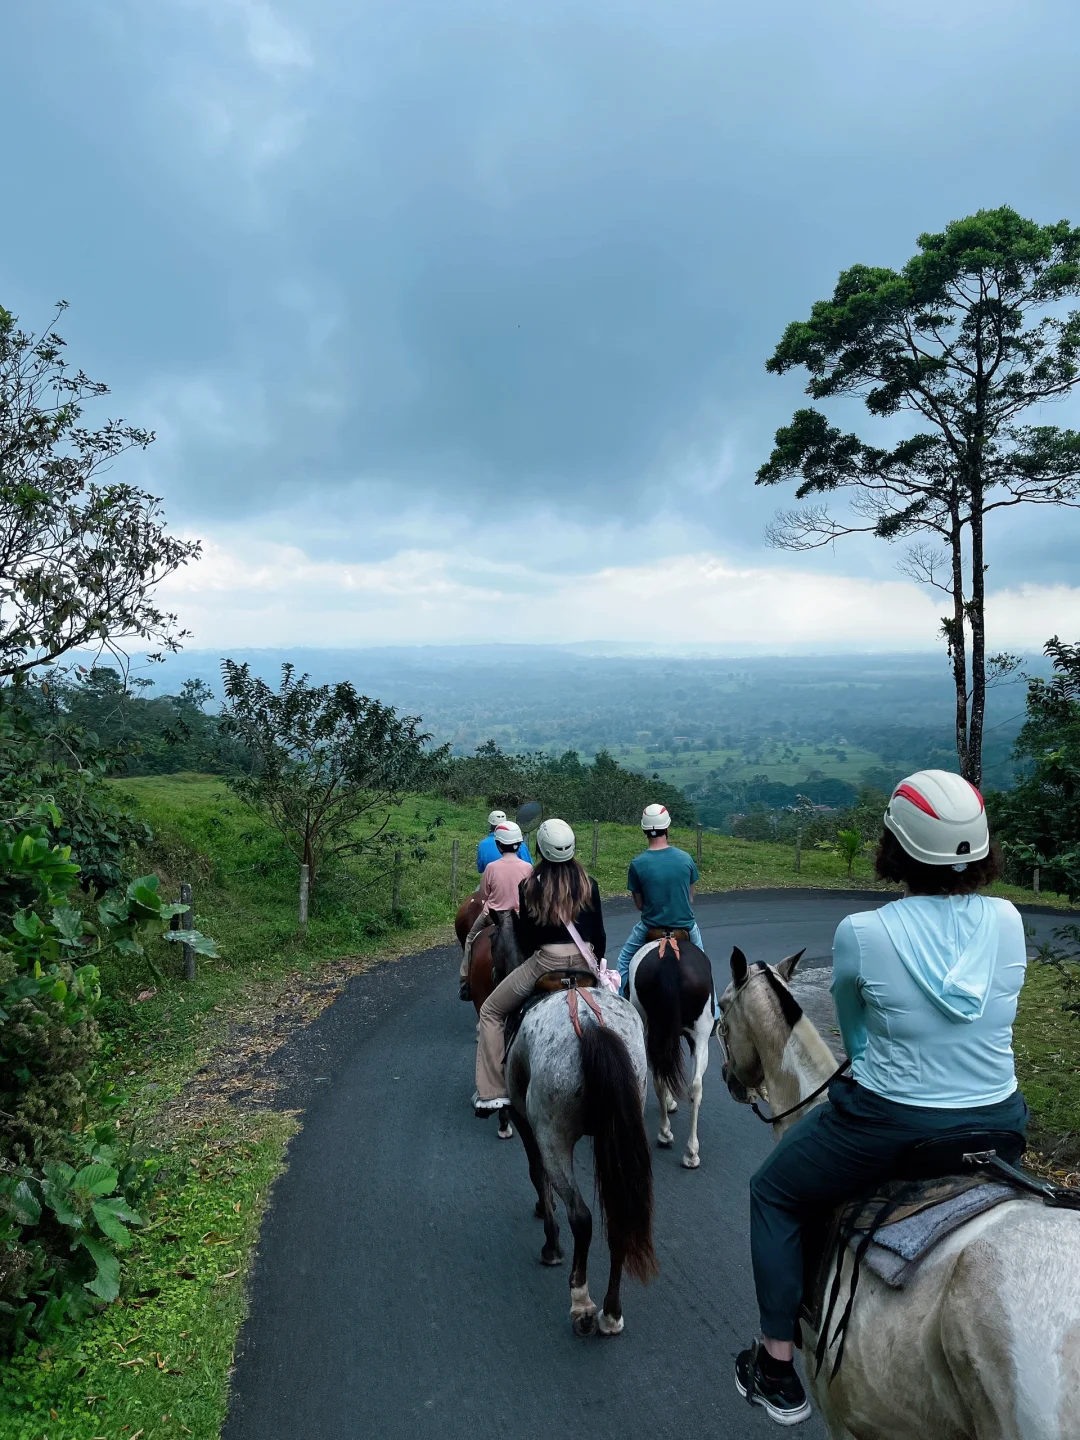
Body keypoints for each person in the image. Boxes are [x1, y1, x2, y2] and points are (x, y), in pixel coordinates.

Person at [735, 770, 1029, 1426]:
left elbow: (858, 1038)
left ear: (894, 848)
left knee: (772, 1192)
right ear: (980, 849)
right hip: (1002, 1121)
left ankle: (777, 1365)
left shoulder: (862, 934)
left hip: (893, 1122)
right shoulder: (1009, 920)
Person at [473, 818, 606, 1115]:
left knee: (491, 1011)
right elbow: (599, 934)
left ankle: (493, 1091)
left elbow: (527, 939)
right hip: (586, 964)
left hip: (545, 963)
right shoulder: (589, 883)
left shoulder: (529, 885)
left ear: (540, 849)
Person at [615, 803, 704, 995]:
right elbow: (690, 899)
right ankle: (713, 1013)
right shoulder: (686, 859)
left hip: (651, 927)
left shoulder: (637, 864)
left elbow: (639, 905)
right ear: (667, 827)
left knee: (623, 961)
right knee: (704, 965)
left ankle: (621, 1000)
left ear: (644, 830)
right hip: (686, 927)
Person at [458, 820, 533, 1000]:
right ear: (518, 845)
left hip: (492, 916)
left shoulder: (491, 868)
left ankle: (465, 981)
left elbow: (483, 895)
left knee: (470, 939)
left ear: (499, 845)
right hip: (519, 917)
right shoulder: (528, 867)